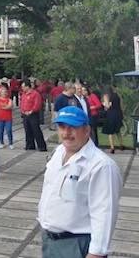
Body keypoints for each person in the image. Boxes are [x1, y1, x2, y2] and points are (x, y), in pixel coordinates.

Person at [37, 106, 122, 258]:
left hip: (77, 245)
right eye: (62, 127)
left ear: (87, 130)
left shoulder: (101, 165)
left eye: (73, 127)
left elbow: (105, 213)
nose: (66, 133)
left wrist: (96, 253)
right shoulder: (58, 152)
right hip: (50, 242)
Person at [21, 81, 47, 151]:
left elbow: (37, 104)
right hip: (25, 114)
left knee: (36, 130)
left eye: (23, 87)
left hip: (33, 114)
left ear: (27, 86)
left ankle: (41, 146)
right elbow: (22, 103)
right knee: (27, 130)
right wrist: (23, 111)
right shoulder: (24, 94)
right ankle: (30, 145)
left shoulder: (35, 94)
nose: (22, 88)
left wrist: (31, 111)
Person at [101, 88, 124, 154]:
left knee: (110, 132)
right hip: (118, 115)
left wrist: (104, 103)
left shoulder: (108, 97)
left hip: (111, 115)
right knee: (118, 131)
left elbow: (108, 106)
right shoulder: (116, 96)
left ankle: (112, 148)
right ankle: (121, 145)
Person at [0, 83, 14, 149]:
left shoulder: (9, 100)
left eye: (5, 92)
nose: (4, 93)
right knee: (0, 131)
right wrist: (5, 106)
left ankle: (11, 143)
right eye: (3, 92)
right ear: (0, 93)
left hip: (8, 118)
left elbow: (9, 107)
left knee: (9, 130)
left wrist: (2, 107)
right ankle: (1, 143)